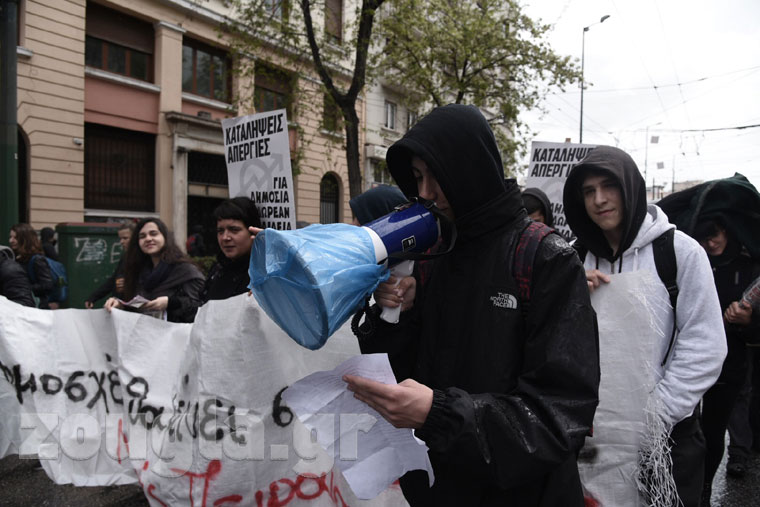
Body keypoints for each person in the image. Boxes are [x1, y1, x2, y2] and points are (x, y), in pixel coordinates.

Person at [344, 104, 600, 506]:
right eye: (417, 177)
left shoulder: (546, 258)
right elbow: (406, 375)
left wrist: (439, 414)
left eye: (436, 176)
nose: (426, 193)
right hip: (437, 490)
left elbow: (559, 416)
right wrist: (395, 316)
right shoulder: (433, 253)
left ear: (470, 169)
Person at [562, 146, 726, 506]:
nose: (599, 200)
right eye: (588, 191)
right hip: (592, 440)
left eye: (609, 186)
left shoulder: (680, 253)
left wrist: (657, 415)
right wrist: (569, 297)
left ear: (631, 188)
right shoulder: (571, 259)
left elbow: (705, 342)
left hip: (666, 438)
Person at [692, 220, 759, 497]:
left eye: (714, 236)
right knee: (686, 431)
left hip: (730, 362)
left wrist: (747, 321)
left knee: (714, 429)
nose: (710, 244)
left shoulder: (748, 265)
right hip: (692, 358)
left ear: (727, 231)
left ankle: (706, 488)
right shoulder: (692, 260)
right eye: (704, 238)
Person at [105, 218, 204, 323]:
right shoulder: (137, 271)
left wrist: (170, 303)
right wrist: (120, 304)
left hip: (177, 332)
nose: (148, 239)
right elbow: (135, 306)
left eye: (153, 234)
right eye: (142, 236)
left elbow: (200, 308)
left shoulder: (185, 270)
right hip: (144, 331)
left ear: (165, 237)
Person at [202, 197, 262, 302]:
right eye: (220, 231)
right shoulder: (217, 270)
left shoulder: (264, 275)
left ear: (253, 231)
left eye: (234, 230)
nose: (225, 237)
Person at [85, 223, 134, 308]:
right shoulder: (125, 257)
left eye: (125, 238)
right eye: (120, 238)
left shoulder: (143, 258)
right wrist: (93, 297)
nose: (121, 242)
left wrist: (129, 283)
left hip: (132, 307)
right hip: (119, 305)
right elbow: (113, 281)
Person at [9, 223, 54, 309]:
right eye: (10, 237)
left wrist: (24, 288)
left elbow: (47, 285)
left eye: (16, 238)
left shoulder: (37, 259)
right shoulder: (13, 257)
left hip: (34, 307)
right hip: (19, 305)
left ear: (25, 239)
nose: (11, 240)